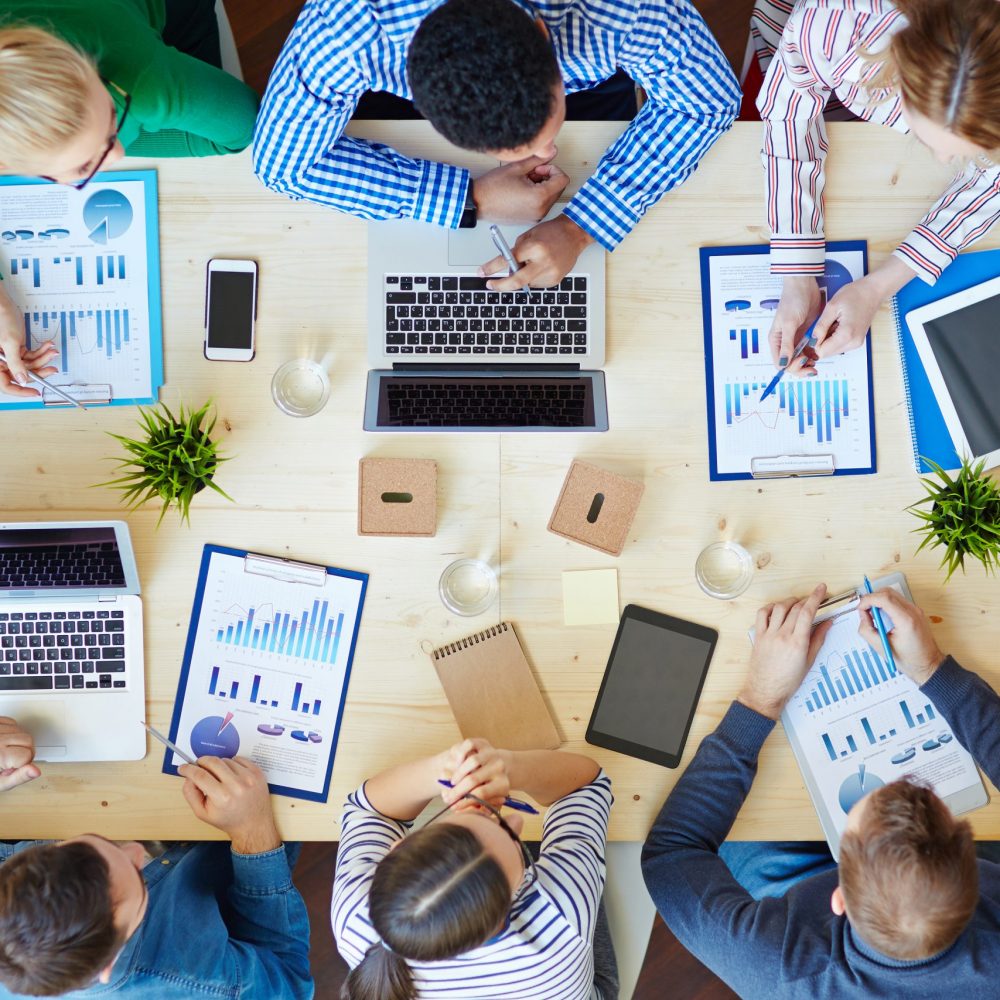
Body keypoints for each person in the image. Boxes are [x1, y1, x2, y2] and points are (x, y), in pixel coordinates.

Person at [641, 582, 1000, 998]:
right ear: (971, 876)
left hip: (794, 888)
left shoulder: (783, 969)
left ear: (840, 900)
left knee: (750, 845)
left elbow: (669, 855)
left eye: (853, 827)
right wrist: (932, 669)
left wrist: (760, 699)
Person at [254, 0, 740, 290]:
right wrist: (470, 197)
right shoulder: (349, 25)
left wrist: (581, 226)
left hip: (598, 82)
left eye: (546, 139)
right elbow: (281, 164)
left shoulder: (626, 10)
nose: (545, 156)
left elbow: (708, 101)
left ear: (544, 34)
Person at [0, 1, 260, 394]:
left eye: (110, 116)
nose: (118, 155)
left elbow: (242, 127)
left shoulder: (139, 78)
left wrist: (133, 115)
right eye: (85, 166)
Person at [754, 0, 1000, 376]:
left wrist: (876, 288)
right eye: (925, 137)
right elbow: (791, 120)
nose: (942, 162)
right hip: (817, 64)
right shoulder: (830, 27)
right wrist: (797, 272)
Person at [0, 717, 313, 999]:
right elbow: (290, 982)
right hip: (234, 832)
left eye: (93, 843)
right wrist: (253, 833)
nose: (136, 850)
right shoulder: (193, 978)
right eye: (137, 875)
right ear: (107, 967)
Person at [331, 737, 617, 999]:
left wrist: (442, 771)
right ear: (517, 899)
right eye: (512, 836)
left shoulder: (356, 919)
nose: (516, 823)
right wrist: (510, 767)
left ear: (395, 850)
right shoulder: (560, 913)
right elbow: (585, 786)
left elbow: (368, 810)